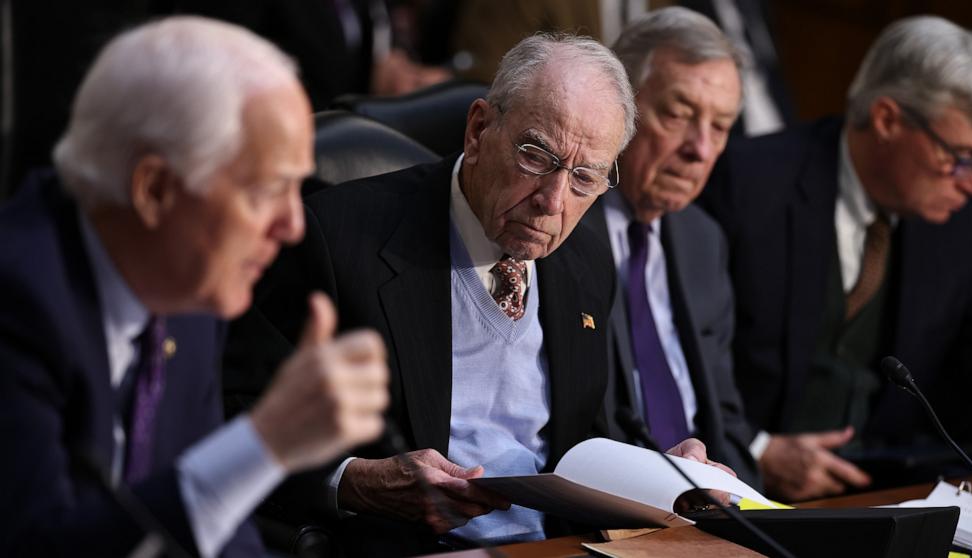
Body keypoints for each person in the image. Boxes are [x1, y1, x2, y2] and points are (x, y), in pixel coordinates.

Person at [226, 32, 731, 555]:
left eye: (584, 178)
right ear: (478, 130)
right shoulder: (335, 240)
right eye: (536, 157)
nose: (553, 202)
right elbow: (231, 421)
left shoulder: (585, 260)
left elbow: (588, 435)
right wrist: (354, 480)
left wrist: (664, 474)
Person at [0, 17, 389, 557]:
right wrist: (265, 443)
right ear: (155, 190)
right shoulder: (18, 300)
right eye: (267, 190)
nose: (293, 225)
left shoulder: (188, 295)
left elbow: (216, 525)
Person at [701, 15, 972, 501]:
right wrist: (758, 449)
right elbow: (689, 357)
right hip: (744, 494)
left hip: (891, 498)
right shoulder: (749, 185)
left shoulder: (960, 218)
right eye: (960, 157)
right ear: (887, 120)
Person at [583, 7, 757, 488]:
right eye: (679, 115)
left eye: (719, 127)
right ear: (619, 109)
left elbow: (725, 417)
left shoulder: (703, 239)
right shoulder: (561, 225)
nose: (700, 149)